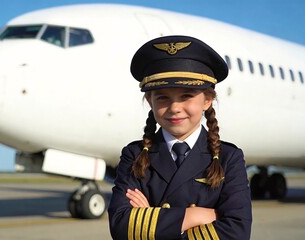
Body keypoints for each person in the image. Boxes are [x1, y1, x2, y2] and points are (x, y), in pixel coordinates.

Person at [108, 35, 252, 240]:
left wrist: (151, 220)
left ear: (207, 100)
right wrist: (196, 215)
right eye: (163, 97)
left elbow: (237, 232)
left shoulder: (229, 158)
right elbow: (121, 226)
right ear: (150, 101)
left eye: (186, 96)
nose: (175, 108)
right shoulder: (134, 155)